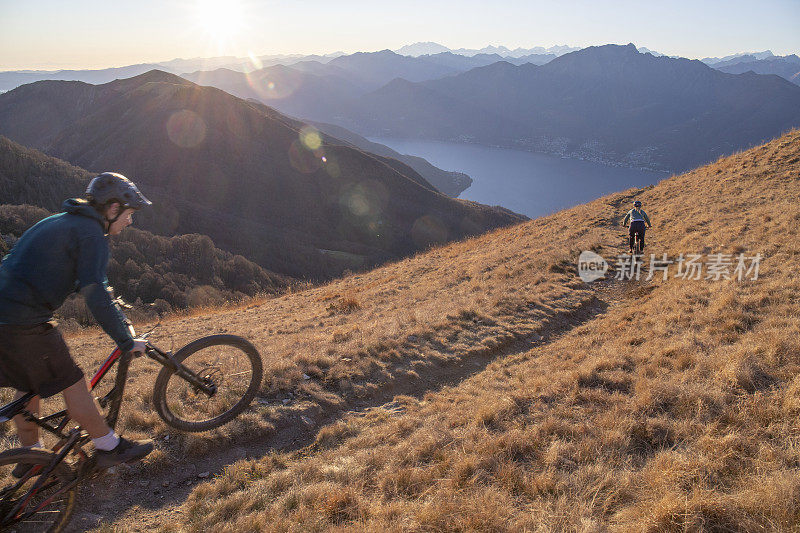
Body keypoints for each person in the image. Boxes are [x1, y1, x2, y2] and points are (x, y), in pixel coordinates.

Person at [0, 172, 154, 475]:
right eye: (129, 214)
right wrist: (126, 340)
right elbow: (95, 294)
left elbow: (85, 278)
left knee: (27, 384)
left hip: (4, 314)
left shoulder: (63, 219)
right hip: (24, 319)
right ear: (112, 209)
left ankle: (32, 459)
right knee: (74, 382)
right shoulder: (92, 234)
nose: (130, 221)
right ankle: (108, 446)